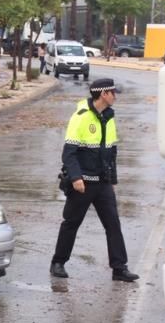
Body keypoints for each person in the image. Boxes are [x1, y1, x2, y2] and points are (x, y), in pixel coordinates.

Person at [50, 78, 139, 282]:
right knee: (71, 223)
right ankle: (58, 262)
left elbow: (111, 151)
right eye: (112, 92)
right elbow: (69, 153)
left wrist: (113, 180)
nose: (115, 95)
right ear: (103, 94)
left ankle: (119, 268)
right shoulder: (80, 117)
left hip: (103, 182)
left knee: (113, 224)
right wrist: (76, 178)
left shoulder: (109, 117)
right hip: (83, 183)